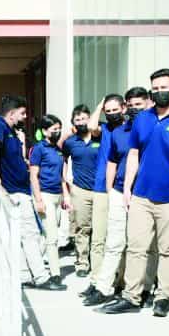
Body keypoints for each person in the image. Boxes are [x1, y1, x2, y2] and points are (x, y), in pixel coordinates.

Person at [101, 69, 169, 316]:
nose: (159, 92)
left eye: (164, 87)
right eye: (155, 88)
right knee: (136, 247)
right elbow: (133, 154)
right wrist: (127, 190)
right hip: (141, 196)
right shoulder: (142, 119)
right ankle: (131, 296)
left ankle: (163, 296)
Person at [0, 95, 63, 290]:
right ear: (11, 113)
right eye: (22, 113)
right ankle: (41, 277)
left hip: (20, 189)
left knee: (23, 235)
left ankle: (24, 275)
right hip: (14, 191)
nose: (25, 116)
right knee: (31, 234)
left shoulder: (11, 131)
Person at [83, 87, 151, 306]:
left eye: (136, 105)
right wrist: (112, 190)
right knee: (113, 242)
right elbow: (112, 161)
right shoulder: (114, 132)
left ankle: (141, 288)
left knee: (140, 245)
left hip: (143, 194)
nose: (132, 109)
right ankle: (103, 287)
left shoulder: (151, 129)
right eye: (107, 110)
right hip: (118, 192)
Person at [63, 104, 106, 277]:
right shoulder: (70, 142)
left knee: (100, 228)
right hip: (80, 190)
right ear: (73, 122)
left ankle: (98, 262)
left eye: (84, 118)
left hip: (101, 190)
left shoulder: (100, 137)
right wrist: (65, 183)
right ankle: (82, 263)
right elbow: (63, 160)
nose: (81, 122)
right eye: (77, 119)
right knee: (82, 228)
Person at [29, 114, 71, 279]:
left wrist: (66, 196)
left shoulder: (58, 150)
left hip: (58, 196)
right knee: (52, 237)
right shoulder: (39, 149)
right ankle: (55, 274)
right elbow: (34, 176)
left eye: (59, 128)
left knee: (48, 235)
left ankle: (32, 267)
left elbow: (61, 176)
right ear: (44, 131)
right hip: (45, 195)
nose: (58, 132)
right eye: (54, 129)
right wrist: (38, 199)